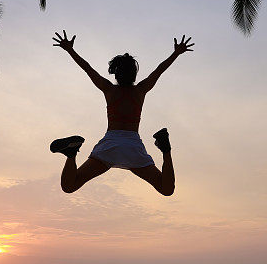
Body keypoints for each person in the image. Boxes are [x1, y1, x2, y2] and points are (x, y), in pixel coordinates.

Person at [50, 31, 193, 196]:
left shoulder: (109, 90)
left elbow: (88, 69)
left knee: (69, 186)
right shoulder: (140, 90)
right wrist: (176, 53)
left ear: (116, 74)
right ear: (134, 74)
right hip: (133, 147)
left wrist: (70, 50)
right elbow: (158, 71)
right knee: (166, 189)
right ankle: (165, 149)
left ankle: (71, 153)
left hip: (110, 145)